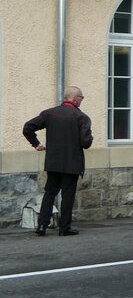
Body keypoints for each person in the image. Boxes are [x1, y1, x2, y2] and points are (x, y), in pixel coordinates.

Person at [23, 85, 93, 237]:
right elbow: (86, 143)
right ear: (75, 99)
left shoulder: (49, 114)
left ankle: (42, 224)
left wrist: (36, 144)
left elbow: (27, 127)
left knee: (50, 192)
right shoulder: (82, 117)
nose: (82, 100)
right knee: (68, 195)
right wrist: (90, 136)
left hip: (53, 161)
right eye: (81, 98)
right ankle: (64, 227)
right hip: (72, 162)